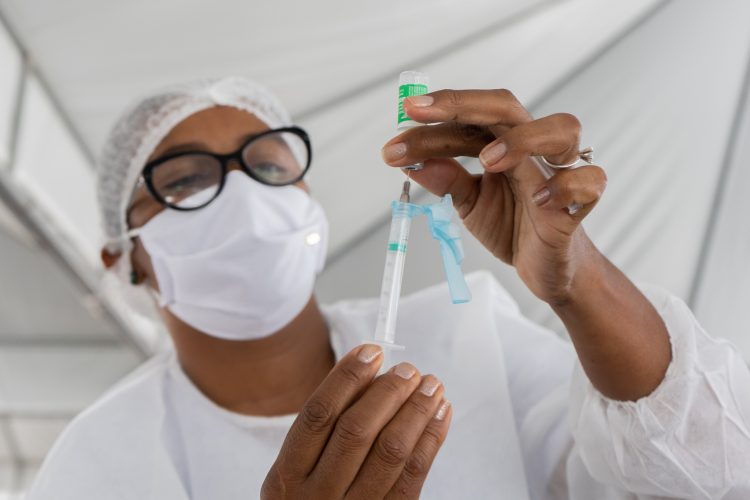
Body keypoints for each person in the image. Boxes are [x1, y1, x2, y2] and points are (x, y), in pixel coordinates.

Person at [26, 77, 750, 499]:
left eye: (270, 167)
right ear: (124, 258)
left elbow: (711, 472)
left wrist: (576, 279)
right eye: (185, 180)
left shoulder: (465, 339)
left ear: (308, 203)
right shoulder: (100, 461)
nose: (244, 196)